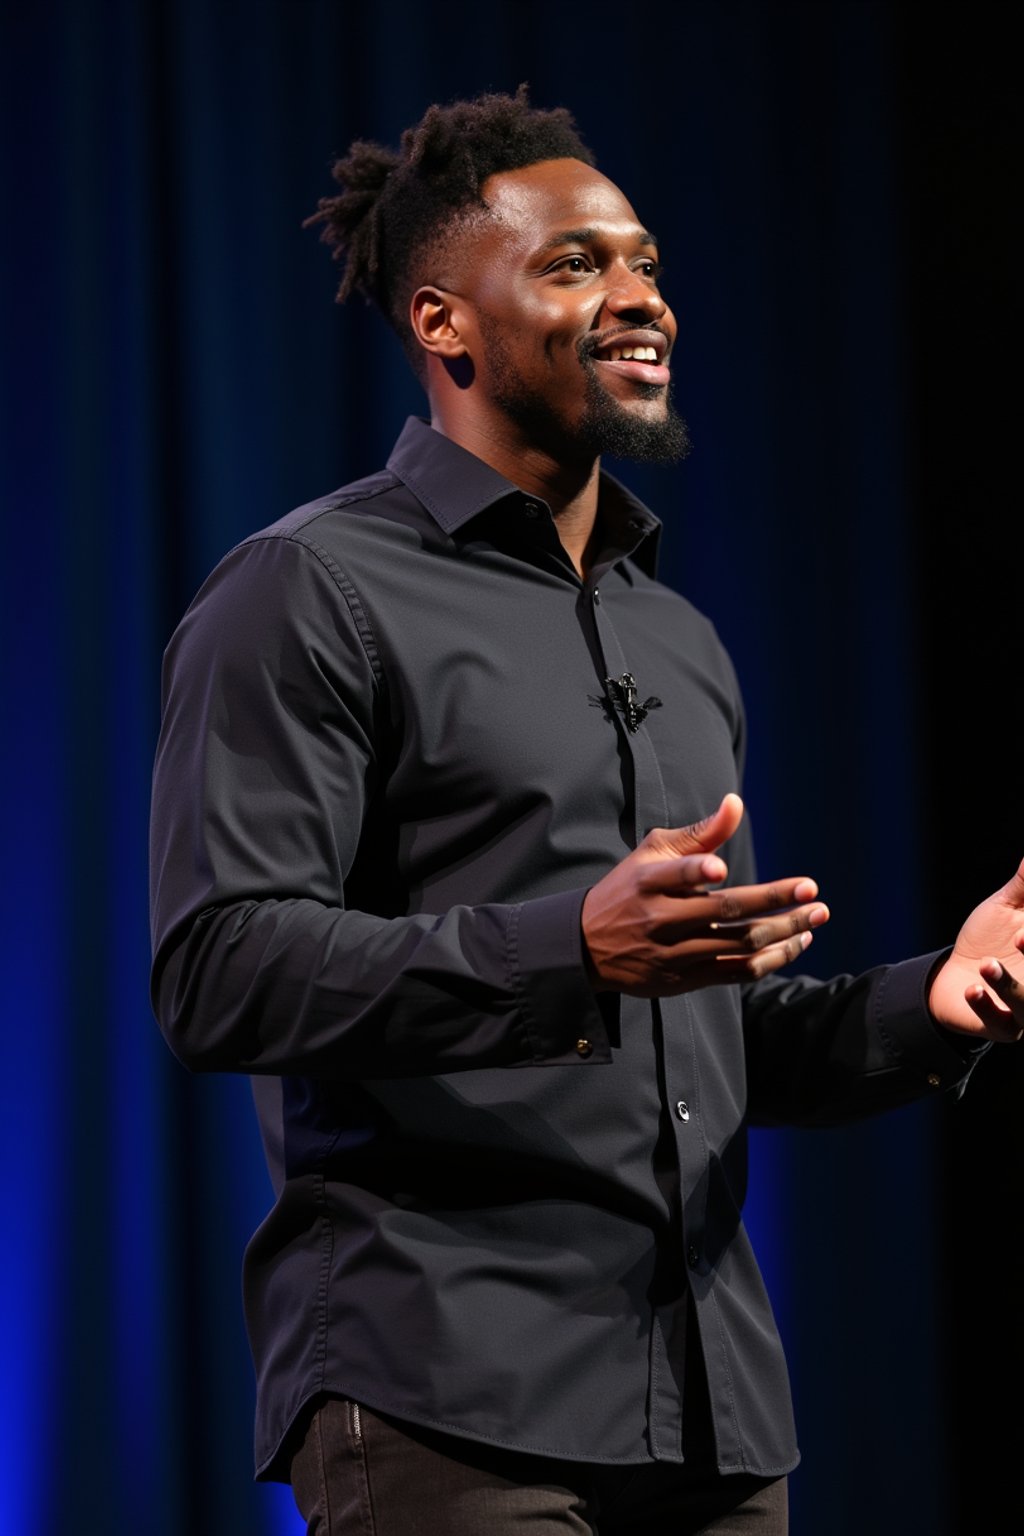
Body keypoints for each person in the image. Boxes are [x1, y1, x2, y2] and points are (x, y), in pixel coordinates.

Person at [149, 89, 1024, 1535]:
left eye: (648, 264)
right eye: (575, 266)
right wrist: (572, 951)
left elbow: (705, 1038)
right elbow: (218, 969)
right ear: (446, 324)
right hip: (446, 1389)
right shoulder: (307, 593)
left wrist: (940, 999)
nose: (642, 301)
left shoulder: (677, 641)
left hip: (713, 1410)